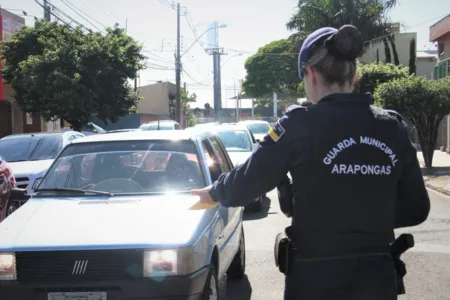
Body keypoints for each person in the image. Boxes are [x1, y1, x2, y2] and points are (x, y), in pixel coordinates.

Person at [191, 24, 430, 299]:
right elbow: (417, 208)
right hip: (377, 278)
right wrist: (367, 217)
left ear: (312, 74)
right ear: (353, 75)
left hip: (315, 280)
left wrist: (213, 192)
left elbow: (247, 183)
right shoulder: (392, 127)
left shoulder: (298, 125)